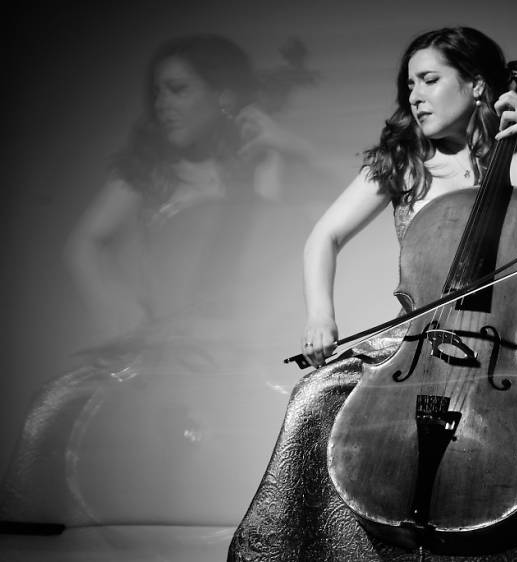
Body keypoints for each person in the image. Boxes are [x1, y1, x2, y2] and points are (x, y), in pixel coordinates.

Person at [228, 26, 517, 561]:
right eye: (409, 83)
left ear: (478, 86)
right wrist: (321, 314)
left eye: (430, 79)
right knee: (315, 395)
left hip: (516, 348)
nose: (414, 95)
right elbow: (326, 235)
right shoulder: (405, 161)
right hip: (418, 343)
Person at [0, 33, 313, 527]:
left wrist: (282, 147)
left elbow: (269, 261)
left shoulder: (256, 166)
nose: (162, 104)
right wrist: (124, 323)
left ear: (224, 97)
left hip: (239, 348)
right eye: (158, 93)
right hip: (163, 347)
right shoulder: (151, 172)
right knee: (52, 404)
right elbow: (83, 245)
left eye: (177, 89)